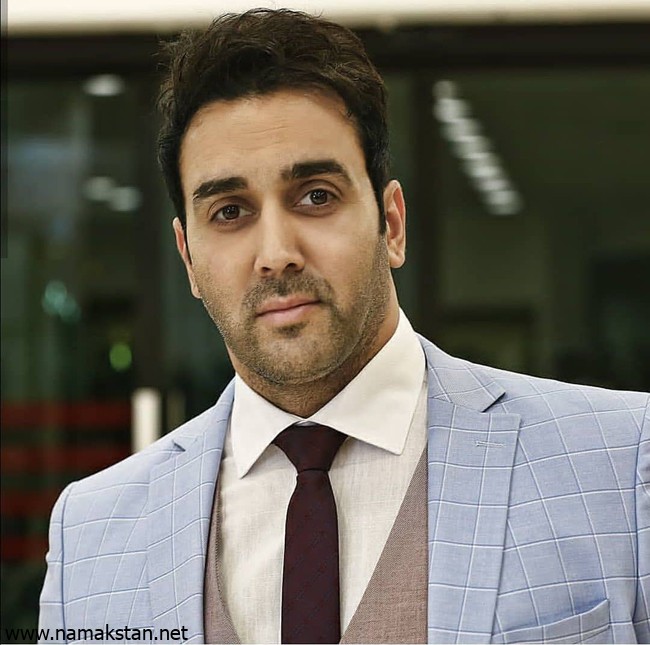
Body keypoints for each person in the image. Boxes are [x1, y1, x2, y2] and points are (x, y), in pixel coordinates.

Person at [39, 9, 649, 644]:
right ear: (188, 259)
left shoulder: (620, 462)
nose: (276, 253)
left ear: (392, 224)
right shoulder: (93, 535)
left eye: (316, 196)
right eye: (230, 211)